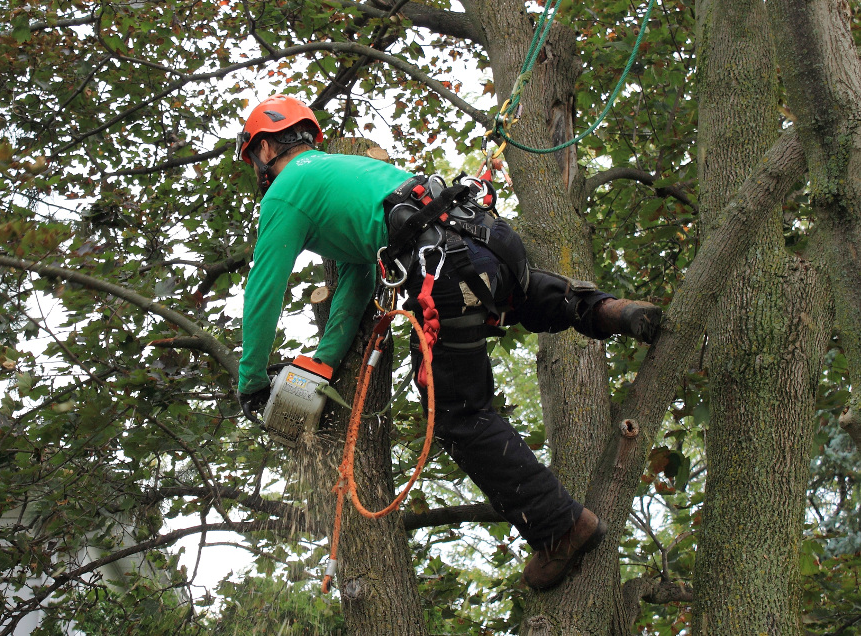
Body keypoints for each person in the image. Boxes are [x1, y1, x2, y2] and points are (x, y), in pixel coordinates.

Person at [233, 94, 661, 591]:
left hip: (441, 273)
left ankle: (561, 526)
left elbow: (264, 288)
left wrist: (251, 383)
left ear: (264, 152)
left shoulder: (287, 191)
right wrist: (324, 362)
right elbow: (355, 281)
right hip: (485, 244)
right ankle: (611, 311)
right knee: (514, 292)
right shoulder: (349, 174)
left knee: (459, 414)